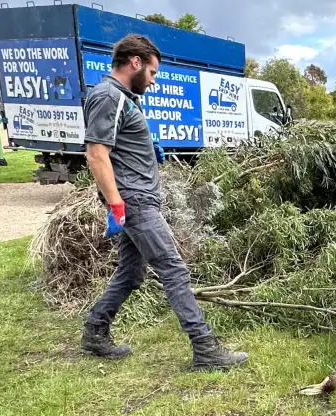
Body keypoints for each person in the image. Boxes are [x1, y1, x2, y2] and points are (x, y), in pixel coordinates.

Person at [81, 34, 248, 371]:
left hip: (137, 199)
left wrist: (146, 148)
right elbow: (96, 154)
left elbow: (119, 145)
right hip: (134, 202)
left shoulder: (124, 99)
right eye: (153, 73)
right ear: (136, 62)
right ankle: (205, 348)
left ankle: (95, 331)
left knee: (130, 273)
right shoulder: (108, 96)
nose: (154, 81)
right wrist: (116, 204)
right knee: (173, 268)